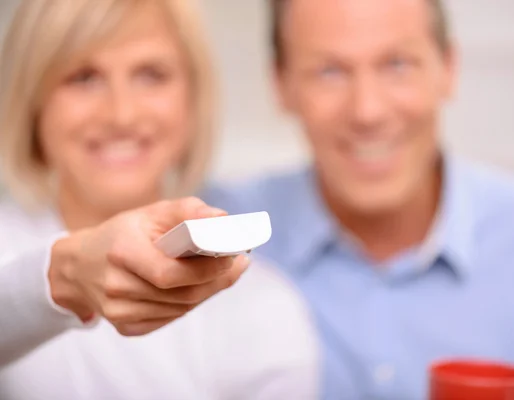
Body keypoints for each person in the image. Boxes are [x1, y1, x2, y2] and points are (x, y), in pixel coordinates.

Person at [203, 0, 514, 399]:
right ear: (281, 84)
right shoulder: (208, 239)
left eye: (397, 64)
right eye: (329, 71)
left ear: (448, 68)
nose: (367, 110)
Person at [0, 0, 319, 399]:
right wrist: (64, 279)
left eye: (151, 75)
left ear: (191, 98)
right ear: (34, 105)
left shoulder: (266, 309)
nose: (122, 114)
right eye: (83, 78)